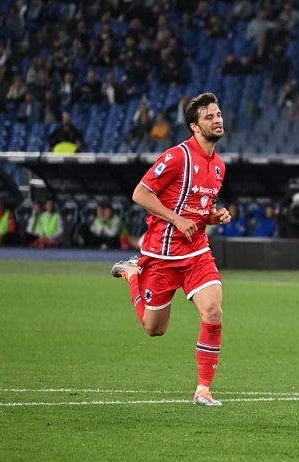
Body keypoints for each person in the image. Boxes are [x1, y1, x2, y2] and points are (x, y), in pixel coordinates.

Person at [109, 92, 233, 407]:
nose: (217, 120)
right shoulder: (177, 156)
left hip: (196, 253)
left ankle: (203, 389)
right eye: (209, 116)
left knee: (214, 311)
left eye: (218, 114)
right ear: (194, 126)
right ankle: (133, 273)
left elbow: (202, 209)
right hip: (162, 254)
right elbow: (140, 193)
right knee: (155, 329)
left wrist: (213, 217)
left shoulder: (218, 166)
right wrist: (176, 219)